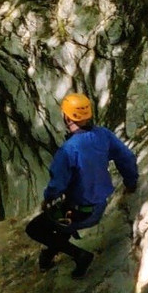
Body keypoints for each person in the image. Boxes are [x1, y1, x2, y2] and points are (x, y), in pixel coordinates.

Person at [25, 93, 138, 279]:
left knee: (34, 229)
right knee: (61, 226)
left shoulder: (68, 150)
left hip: (78, 211)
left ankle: (80, 255)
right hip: (99, 207)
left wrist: (48, 199)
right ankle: (49, 254)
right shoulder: (104, 135)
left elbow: (57, 185)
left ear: (67, 117)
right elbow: (126, 157)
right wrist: (131, 183)